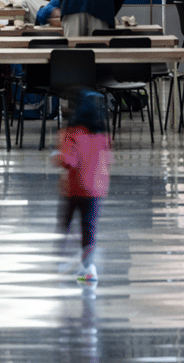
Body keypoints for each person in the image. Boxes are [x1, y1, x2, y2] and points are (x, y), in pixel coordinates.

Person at [53, 90, 111, 285]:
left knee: (66, 223)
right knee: (89, 227)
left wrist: (57, 157)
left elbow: (68, 161)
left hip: (74, 189)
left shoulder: (71, 135)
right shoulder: (102, 137)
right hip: (95, 191)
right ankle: (87, 268)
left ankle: (62, 262)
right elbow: (107, 160)